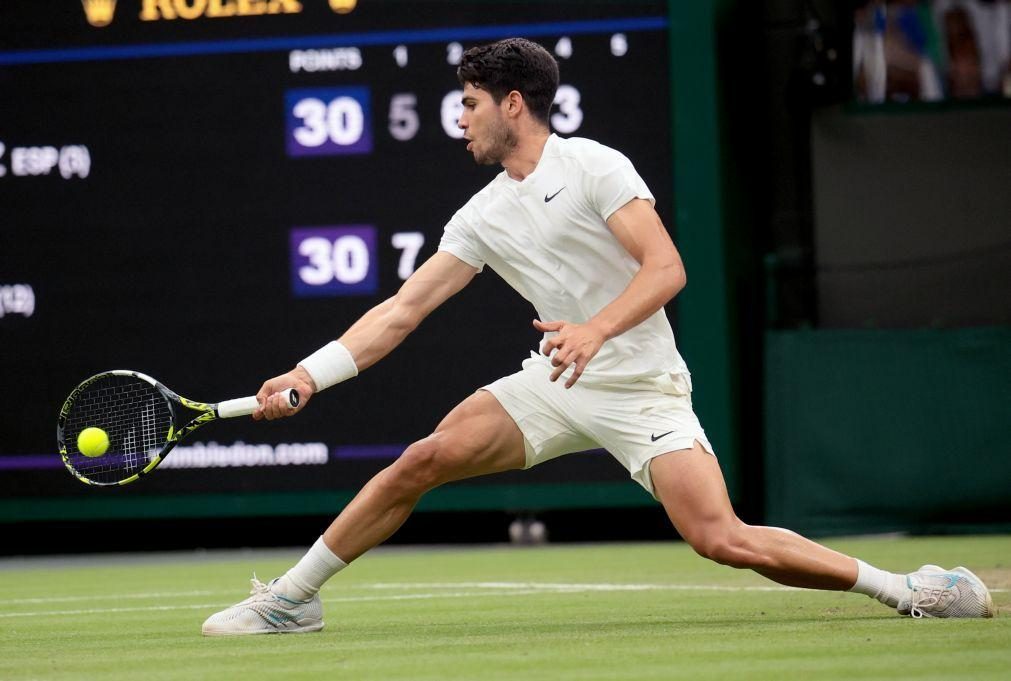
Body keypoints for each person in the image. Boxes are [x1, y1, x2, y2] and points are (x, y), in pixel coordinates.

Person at [201, 38, 994, 636]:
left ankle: (909, 587)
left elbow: (666, 267)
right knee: (423, 458)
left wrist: (595, 329)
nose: (460, 119)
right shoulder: (480, 215)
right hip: (554, 382)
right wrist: (309, 372)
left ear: (514, 103)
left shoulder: (592, 166)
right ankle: (290, 601)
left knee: (720, 539)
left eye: (470, 103)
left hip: (639, 385)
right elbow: (400, 312)